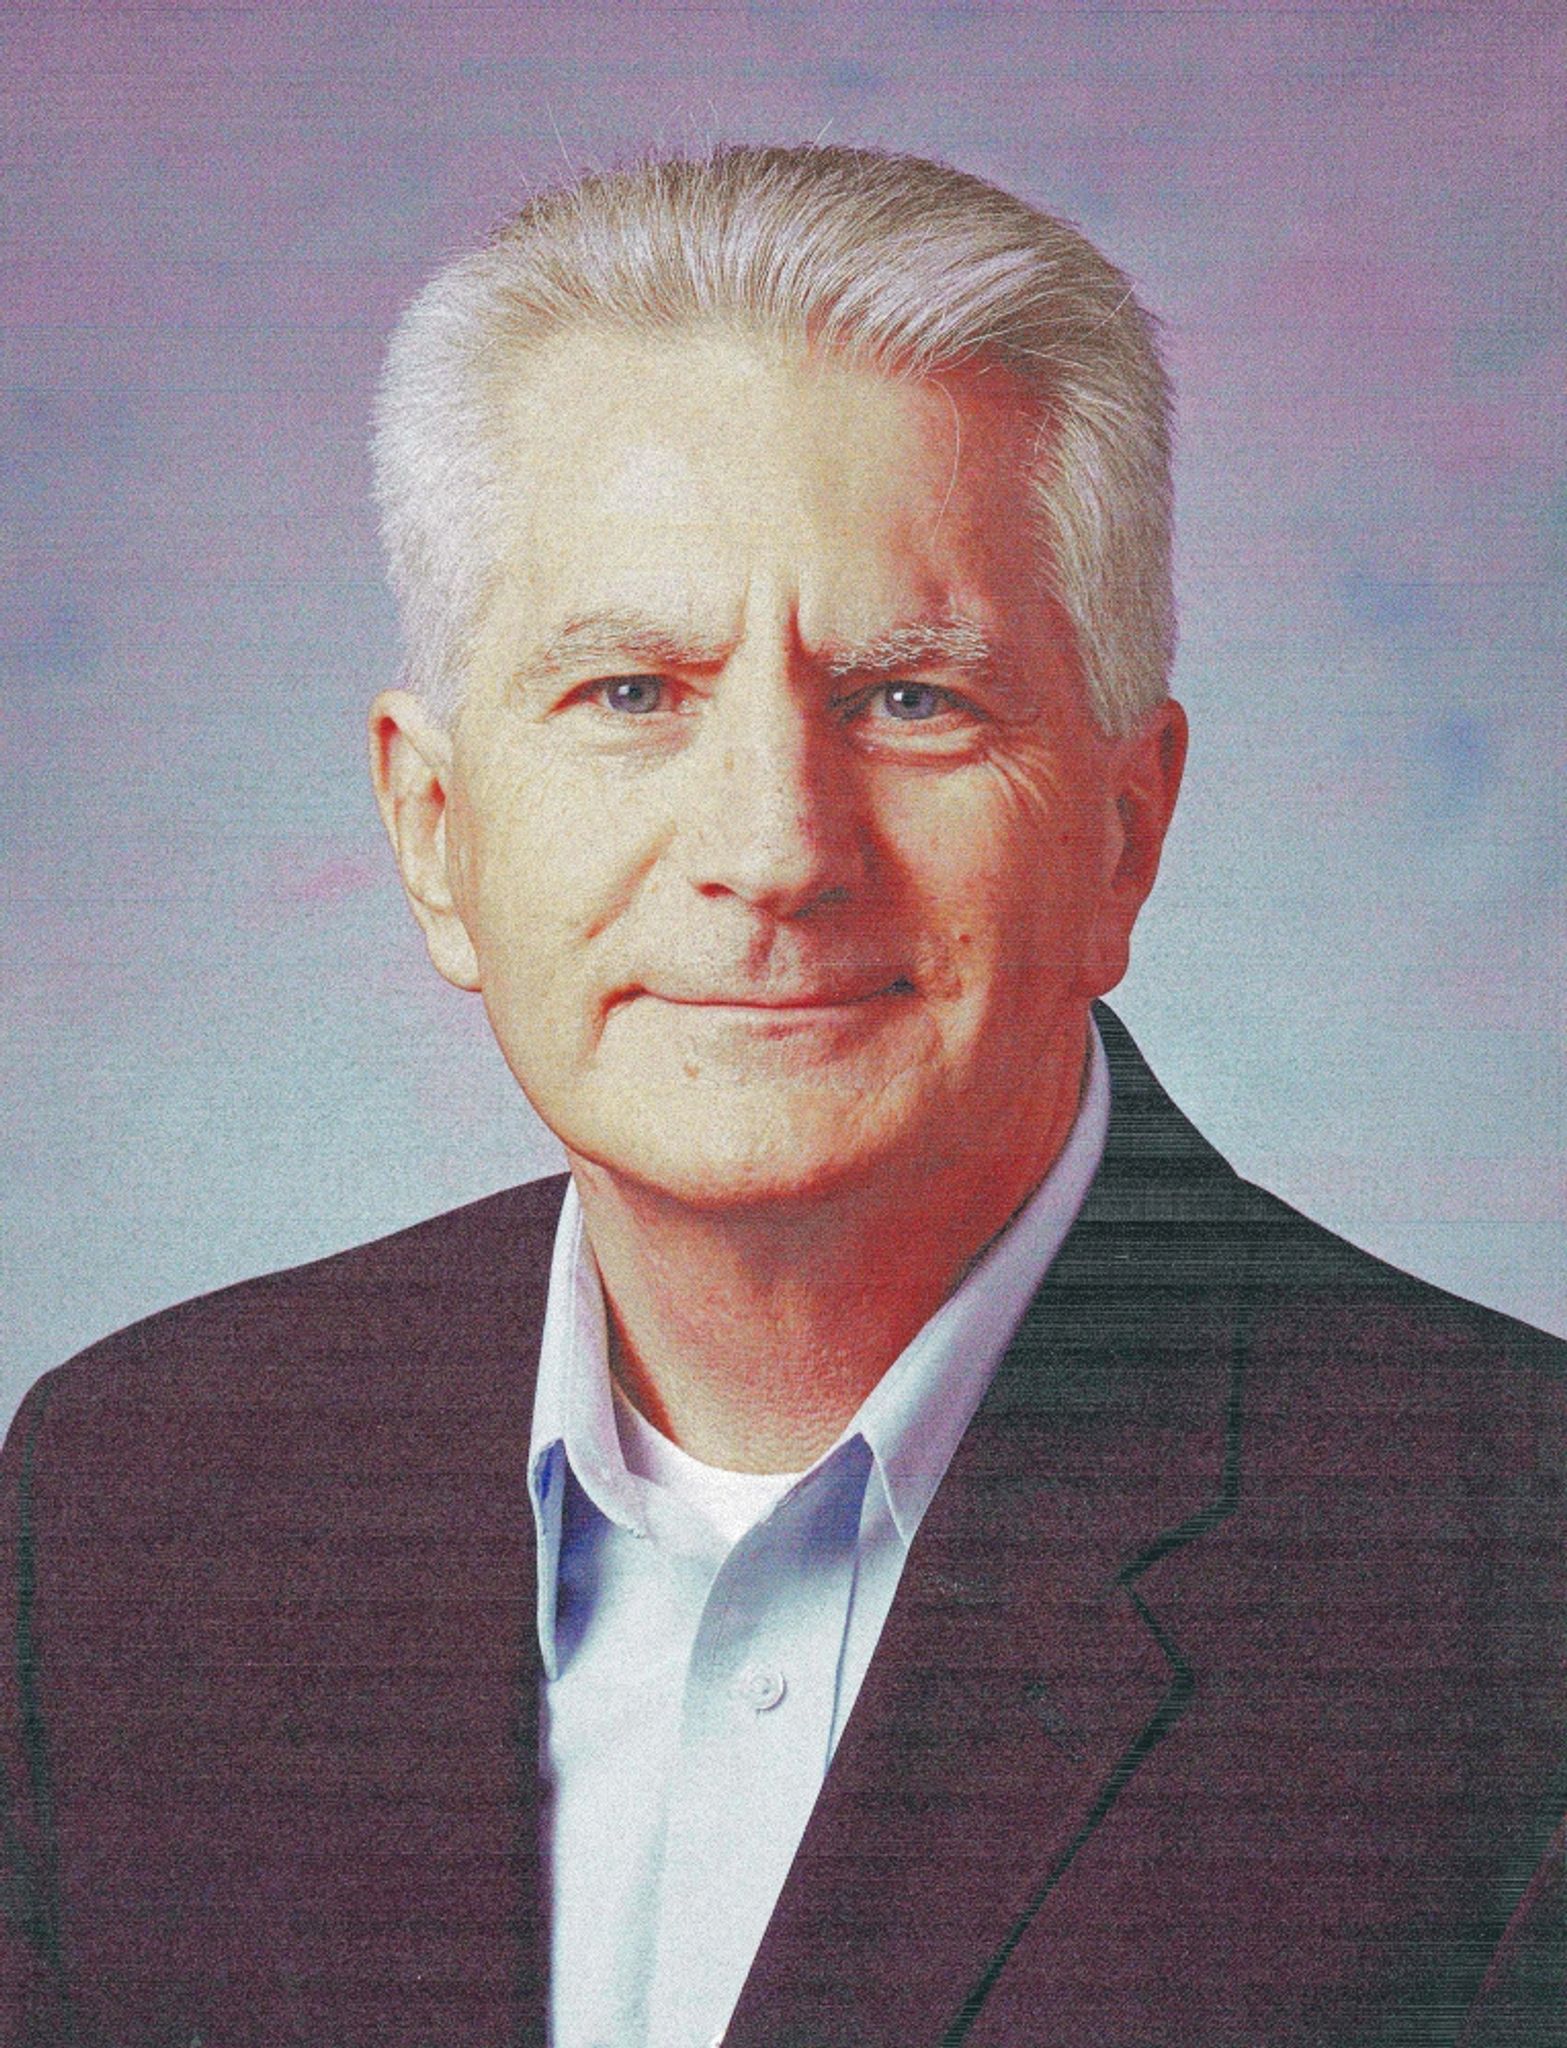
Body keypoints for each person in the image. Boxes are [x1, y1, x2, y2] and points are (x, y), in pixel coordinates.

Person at [1, 144, 1560, 2048]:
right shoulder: (132, 1507)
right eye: (631, 694)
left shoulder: (1513, 1587)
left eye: (911, 699)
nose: (773, 848)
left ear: (1125, 835)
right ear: (432, 828)